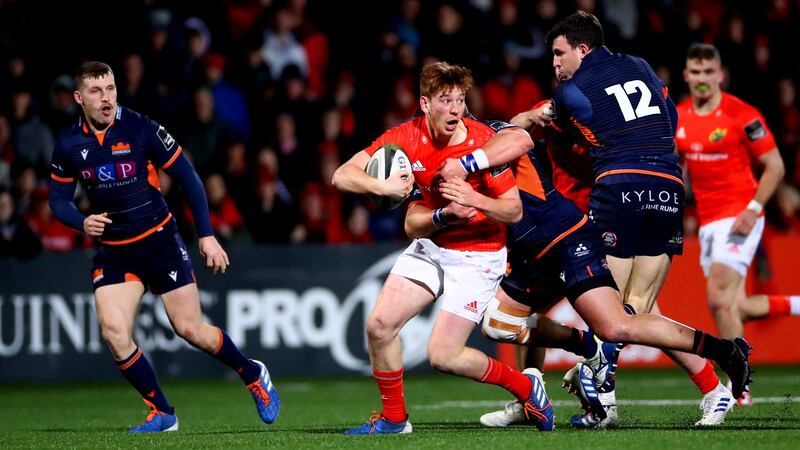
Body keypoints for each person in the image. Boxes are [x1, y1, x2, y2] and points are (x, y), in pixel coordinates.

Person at [439, 11, 753, 428]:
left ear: (581, 50)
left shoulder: (565, 100)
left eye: (558, 54)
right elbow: (665, 118)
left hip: (592, 210)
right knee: (599, 312)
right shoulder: (626, 74)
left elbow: (518, 132)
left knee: (627, 313)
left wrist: (470, 163)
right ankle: (535, 392)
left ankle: (638, 394)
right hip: (616, 199)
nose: (553, 62)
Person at [48, 61, 279, 432]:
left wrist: (205, 234)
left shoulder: (141, 127)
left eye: (110, 88)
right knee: (113, 332)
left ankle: (252, 373)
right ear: (79, 97)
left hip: (159, 242)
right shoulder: (69, 144)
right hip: (115, 250)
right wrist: (81, 221)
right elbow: (58, 200)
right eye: (96, 91)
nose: (106, 98)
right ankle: (162, 412)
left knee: (189, 330)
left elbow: (187, 176)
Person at [331, 61, 554, 435]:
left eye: (460, 100)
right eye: (445, 100)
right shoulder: (407, 135)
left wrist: (473, 199)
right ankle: (393, 420)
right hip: (433, 247)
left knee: (443, 357)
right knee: (380, 326)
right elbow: (342, 175)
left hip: (479, 254)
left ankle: (527, 387)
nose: (454, 109)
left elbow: (513, 211)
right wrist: (384, 188)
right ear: (424, 104)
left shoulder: (483, 142)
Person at [676, 43, 800, 404]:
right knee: (734, 305)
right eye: (694, 72)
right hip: (709, 221)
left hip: (741, 212)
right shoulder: (680, 117)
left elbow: (775, 165)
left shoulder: (741, 114)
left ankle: (738, 387)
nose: (701, 79)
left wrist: (753, 208)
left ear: (720, 74)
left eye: (707, 72)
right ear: (686, 75)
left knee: (717, 297)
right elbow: (677, 170)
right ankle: (795, 304)